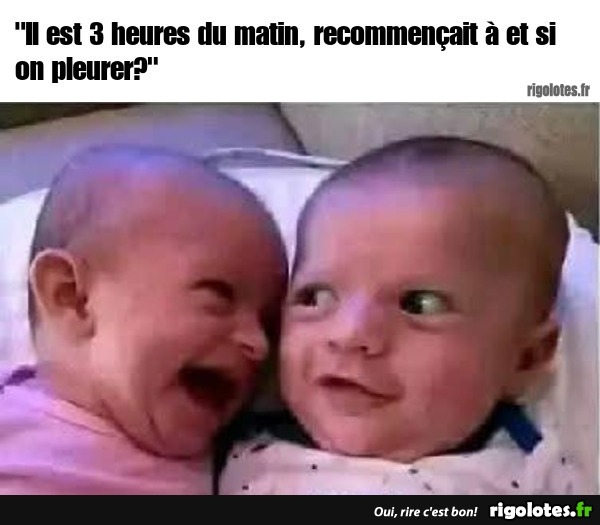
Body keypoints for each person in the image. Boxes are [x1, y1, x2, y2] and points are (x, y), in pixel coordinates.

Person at [220, 136, 586, 495]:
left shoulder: (540, 478)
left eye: (420, 304)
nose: (349, 333)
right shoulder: (223, 440)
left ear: (525, 359)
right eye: (315, 296)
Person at [0, 144, 287, 495]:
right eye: (218, 297)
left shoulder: (246, 459)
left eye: (269, 322)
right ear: (73, 297)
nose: (259, 344)